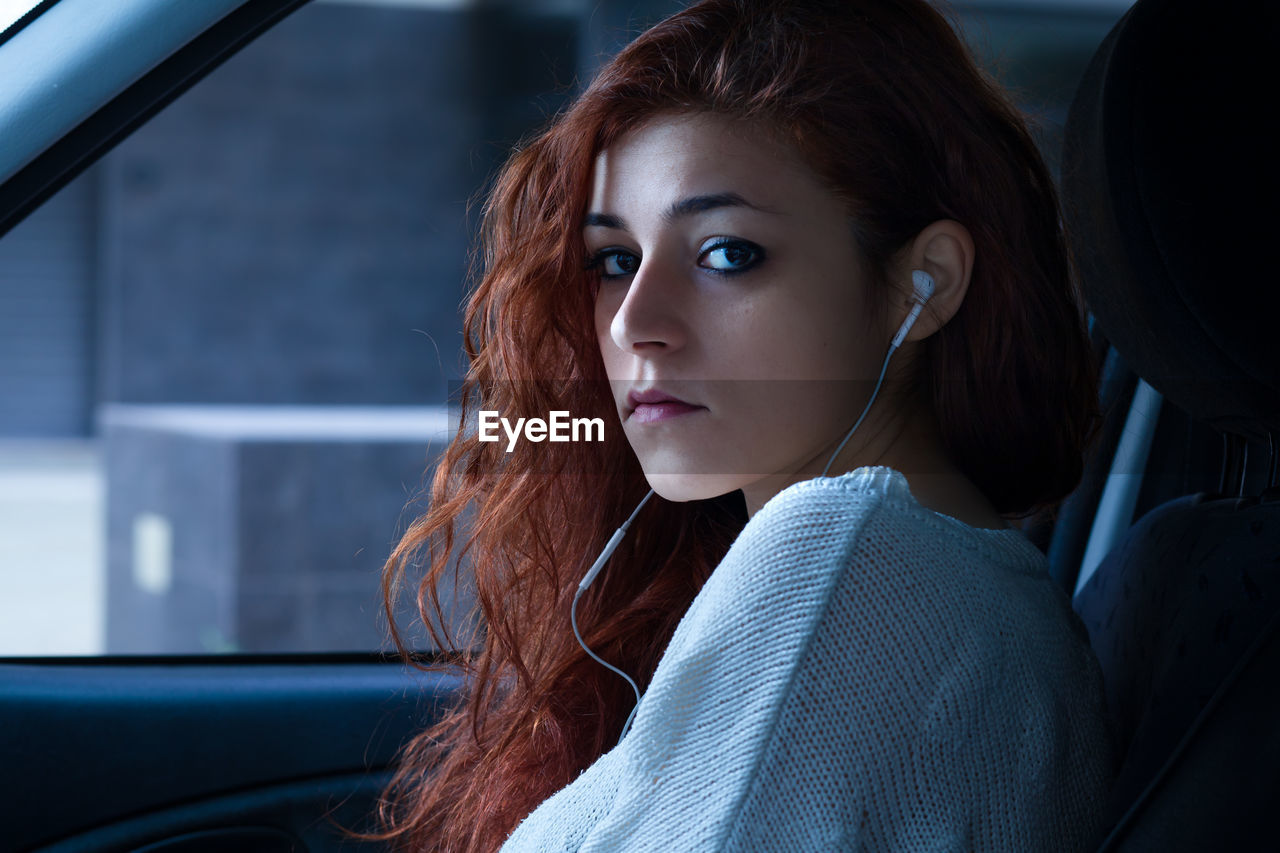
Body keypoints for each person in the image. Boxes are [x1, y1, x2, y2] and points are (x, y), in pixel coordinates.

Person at [367, 0, 1118, 850]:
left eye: (726, 252)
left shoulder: (848, 557)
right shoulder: (954, 578)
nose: (631, 321)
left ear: (924, 284)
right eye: (615, 260)